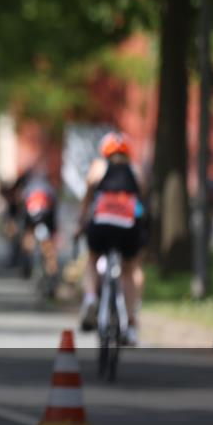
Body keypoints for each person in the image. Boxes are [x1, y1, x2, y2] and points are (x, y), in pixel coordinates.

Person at [76, 131, 146, 346]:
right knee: (131, 269)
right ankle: (131, 322)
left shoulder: (98, 167)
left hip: (102, 221)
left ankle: (90, 299)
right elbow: (142, 201)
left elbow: (88, 199)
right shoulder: (137, 170)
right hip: (127, 224)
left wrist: (80, 225)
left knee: (92, 259)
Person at [19, 167, 59, 287]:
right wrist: (54, 231)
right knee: (48, 247)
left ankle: (27, 260)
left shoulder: (28, 187)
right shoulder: (50, 188)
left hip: (30, 214)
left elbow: (22, 205)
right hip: (46, 216)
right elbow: (54, 211)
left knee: (28, 236)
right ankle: (52, 274)